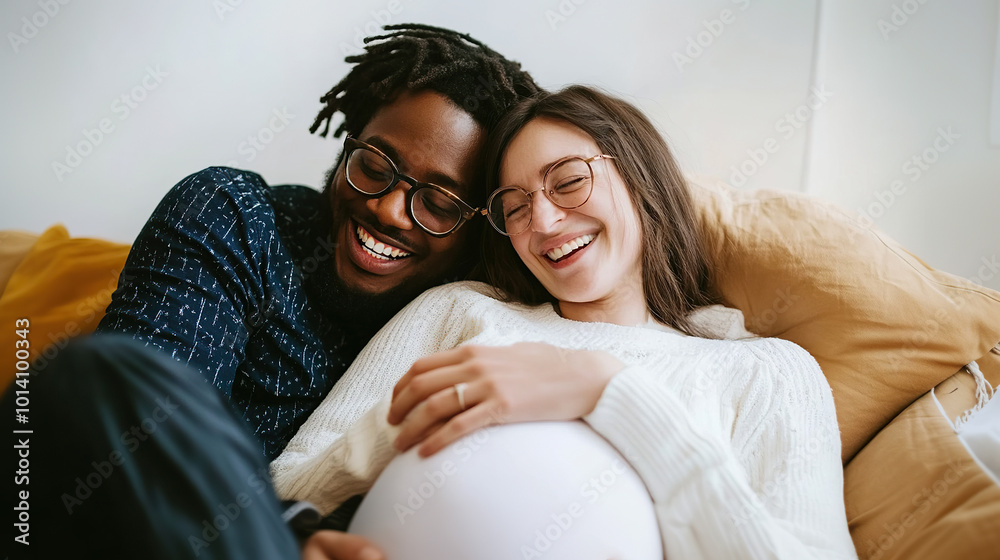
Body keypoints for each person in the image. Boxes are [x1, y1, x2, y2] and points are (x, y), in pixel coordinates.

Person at [1, 23, 585, 560]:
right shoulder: (236, 217)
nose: (387, 209)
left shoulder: (470, 323)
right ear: (348, 140)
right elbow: (146, 424)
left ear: (481, 228)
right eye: (376, 166)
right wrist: (292, 533)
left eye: (438, 203)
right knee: (92, 377)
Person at [270, 86, 859, 559]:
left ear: (639, 176)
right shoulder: (461, 310)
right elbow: (286, 489)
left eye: (569, 181)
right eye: (515, 206)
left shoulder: (763, 371)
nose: (545, 222)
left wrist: (611, 392)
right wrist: (419, 415)